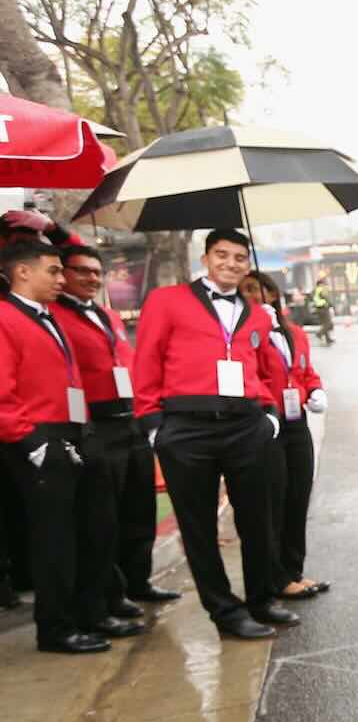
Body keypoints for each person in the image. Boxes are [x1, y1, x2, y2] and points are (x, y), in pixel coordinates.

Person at [132, 228, 299, 640]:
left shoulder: (257, 312)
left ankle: (261, 599)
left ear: (248, 264)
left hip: (246, 424)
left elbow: (264, 370)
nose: (230, 263)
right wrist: (153, 424)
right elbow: (147, 358)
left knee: (258, 519)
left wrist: (269, 414)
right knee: (198, 525)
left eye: (240, 257)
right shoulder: (166, 301)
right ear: (205, 259)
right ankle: (225, 611)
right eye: (221, 255)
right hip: (186, 426)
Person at [0, 236, 139, 652]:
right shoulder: (5, 318)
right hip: (40, 439)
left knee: (96, 528)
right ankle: (56, 628)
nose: (63, 278)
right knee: (55, 540)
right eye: (54, 270)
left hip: (79, 432)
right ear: (23, 272)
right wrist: (32, 443)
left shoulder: (48, 316)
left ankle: (93, 612)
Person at [55, 244, 176, 612]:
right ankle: (110, 594)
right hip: (96, 424)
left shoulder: (110, 316)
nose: (91, 278)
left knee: (139, 510)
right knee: (102, 518)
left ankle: (138, 582)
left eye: (96, 271)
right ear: (63, 275)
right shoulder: (55, 317)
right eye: (81, 271)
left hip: (132, 420)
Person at [241, 270, 329, 601]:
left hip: (297, 422)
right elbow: (251, 374)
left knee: (298, 497)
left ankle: (293, 571)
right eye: (245, 291)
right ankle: (275, 577)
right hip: (268, 425)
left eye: (257, 289)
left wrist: (315, 389)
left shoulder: (294, 333)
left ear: (273, 294)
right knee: (273, 503)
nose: (252, 295)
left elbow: (304, 371)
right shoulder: (247, 336)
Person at [310, 278, 334, 346]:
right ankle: (319, 334)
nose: (324, 284)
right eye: (323, 283)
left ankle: (328, 339)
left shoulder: (314, 290)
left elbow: (312, 298)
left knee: (324, 324)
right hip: (324, 308)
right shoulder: (322, 289)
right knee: (328, 323)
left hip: (318, 308)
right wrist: (331, 304)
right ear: (320, 284)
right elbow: (326, 297)